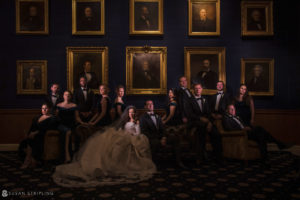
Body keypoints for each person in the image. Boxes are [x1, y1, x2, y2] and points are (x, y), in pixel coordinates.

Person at [52, 106, 156, 187]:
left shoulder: (137, 122)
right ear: (128, 113)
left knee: (125, 144)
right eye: (130, 112)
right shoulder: (125, 122)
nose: (132, 113)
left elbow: (137, 133)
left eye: (133, 112)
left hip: (133, 138)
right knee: (109, 141)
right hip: (124, 136)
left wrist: (135, 126)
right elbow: (124, 130)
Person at [223, 104, 288, 163]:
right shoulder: (226, 118)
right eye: (231, 109)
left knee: (262, 136)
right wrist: (242, 129)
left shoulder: (238, 117)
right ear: (227, 110)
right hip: (242, 135)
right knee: (260, 129)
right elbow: (228, 128)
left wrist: (246, 127)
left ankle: (264, 158)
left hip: (247, 132)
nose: (233, 110)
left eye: (234, 109)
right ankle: (277, 143)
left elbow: (243, 125)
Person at [139, 100, 187, 169]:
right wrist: (160, 138)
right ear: (145, 107)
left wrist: (164, 137)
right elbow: (144, 132)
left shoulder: (157, 116)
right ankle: (154, 165)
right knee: (155, 143)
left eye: (152, 104)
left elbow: (163, 129)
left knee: (175, 138)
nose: (151, 105)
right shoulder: (143, 118)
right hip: (151, 139)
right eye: (148, 104)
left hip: (161, 137)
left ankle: (178, 162)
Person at [188, 83, 222, 163]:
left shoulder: (205, 100)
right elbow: (189, 114)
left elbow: (209, 113)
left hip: (206, 122)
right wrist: (200, 118)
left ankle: (218, 156)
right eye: (196, 88)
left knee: (216, 133)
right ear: (193, 90)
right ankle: (200, 157)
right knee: (201, 130)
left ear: (202, 89)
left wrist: (210, 122)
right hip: (195, 122)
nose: (198, 90)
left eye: (199, 88)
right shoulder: (190, 100)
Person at [19, 103, 57, 169]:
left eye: (46, 108)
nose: (44, 110)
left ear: (49, 109)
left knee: (32, 140)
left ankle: (28, 161)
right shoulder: (37, 117)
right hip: (33, 135)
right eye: (43, 108)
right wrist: (28, 134)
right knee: (24, 142)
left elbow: (47, 128)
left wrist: (35, 133)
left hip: (42, 135)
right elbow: (32, 127)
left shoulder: (52, 118)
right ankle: (32, 160)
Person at [57, 91, 87, 163]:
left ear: (71, 97)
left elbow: (77, 117)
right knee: (68, 132)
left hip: (71, 124)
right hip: (61, 125)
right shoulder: (59, 105)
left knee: (74, 132)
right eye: (66, 95)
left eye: (69, 95)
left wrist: (82, 123)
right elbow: (56, 117)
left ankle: (74, 155)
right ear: (63, 96)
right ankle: (67, 154)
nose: (67, 96)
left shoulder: (74, 105)